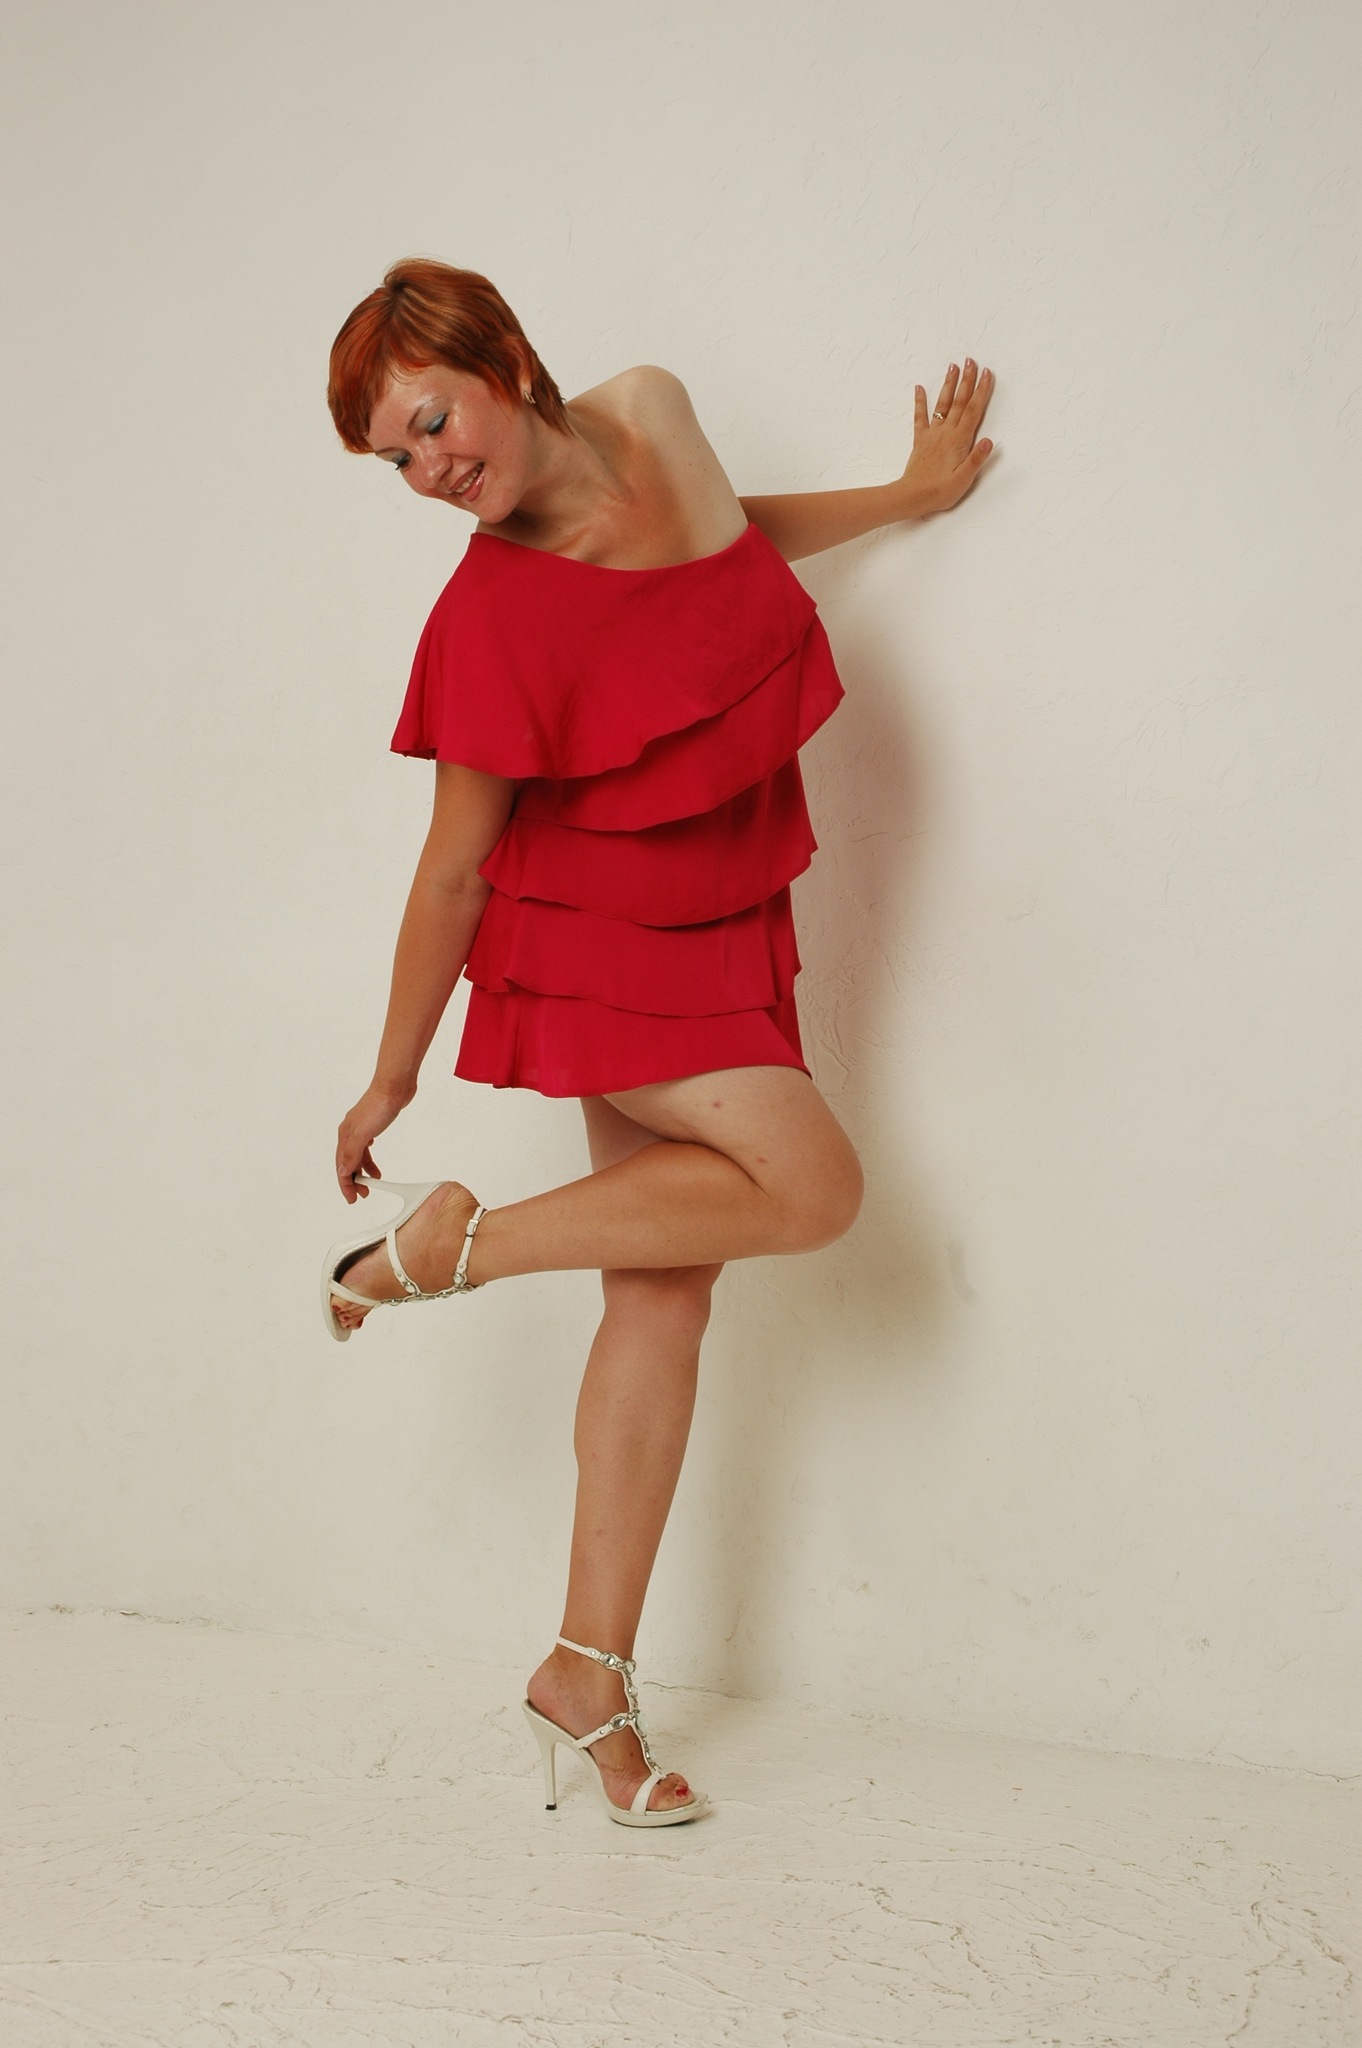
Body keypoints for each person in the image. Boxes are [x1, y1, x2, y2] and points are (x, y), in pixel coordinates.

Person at [321, 258, 996, 1827]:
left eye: (431, 423)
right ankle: (446, 1250)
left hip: (724, 903)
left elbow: (718, 537)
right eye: (395, 459)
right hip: (594, 939)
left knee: (662, 1296)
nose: (428, 472)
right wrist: (391, 1075)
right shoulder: (489, 611)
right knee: (813, 1189)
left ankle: (586, 1677)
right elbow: (452, 868)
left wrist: (904, 494)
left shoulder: (650, 410)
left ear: (505, 358)